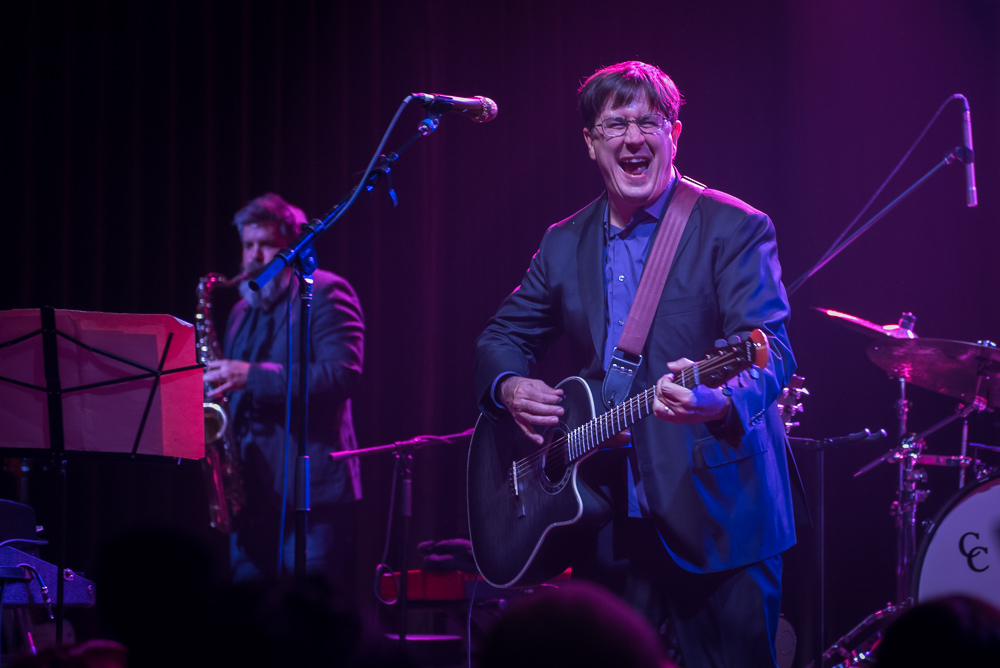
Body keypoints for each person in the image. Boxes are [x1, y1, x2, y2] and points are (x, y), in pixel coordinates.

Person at [473, 61, 797, 667]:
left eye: (650, 121)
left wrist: (720, 401)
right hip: (606, 514)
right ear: (590, 142)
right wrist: (510, 384)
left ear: (675, 133)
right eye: (614, 123)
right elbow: (501, 335)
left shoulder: (735, 226)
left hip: (718, 509)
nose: (633, 137)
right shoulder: (563, 241)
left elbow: (770, 350)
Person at [204, 193, 364, 599]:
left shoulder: (327, 292)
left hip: (309, 503)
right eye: (248, 245)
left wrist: (252, 376)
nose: (255, 256)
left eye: (267, 245)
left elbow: (342, 375)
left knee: (309, 633)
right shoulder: (242, 311)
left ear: (292, 246)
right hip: (251, 502)